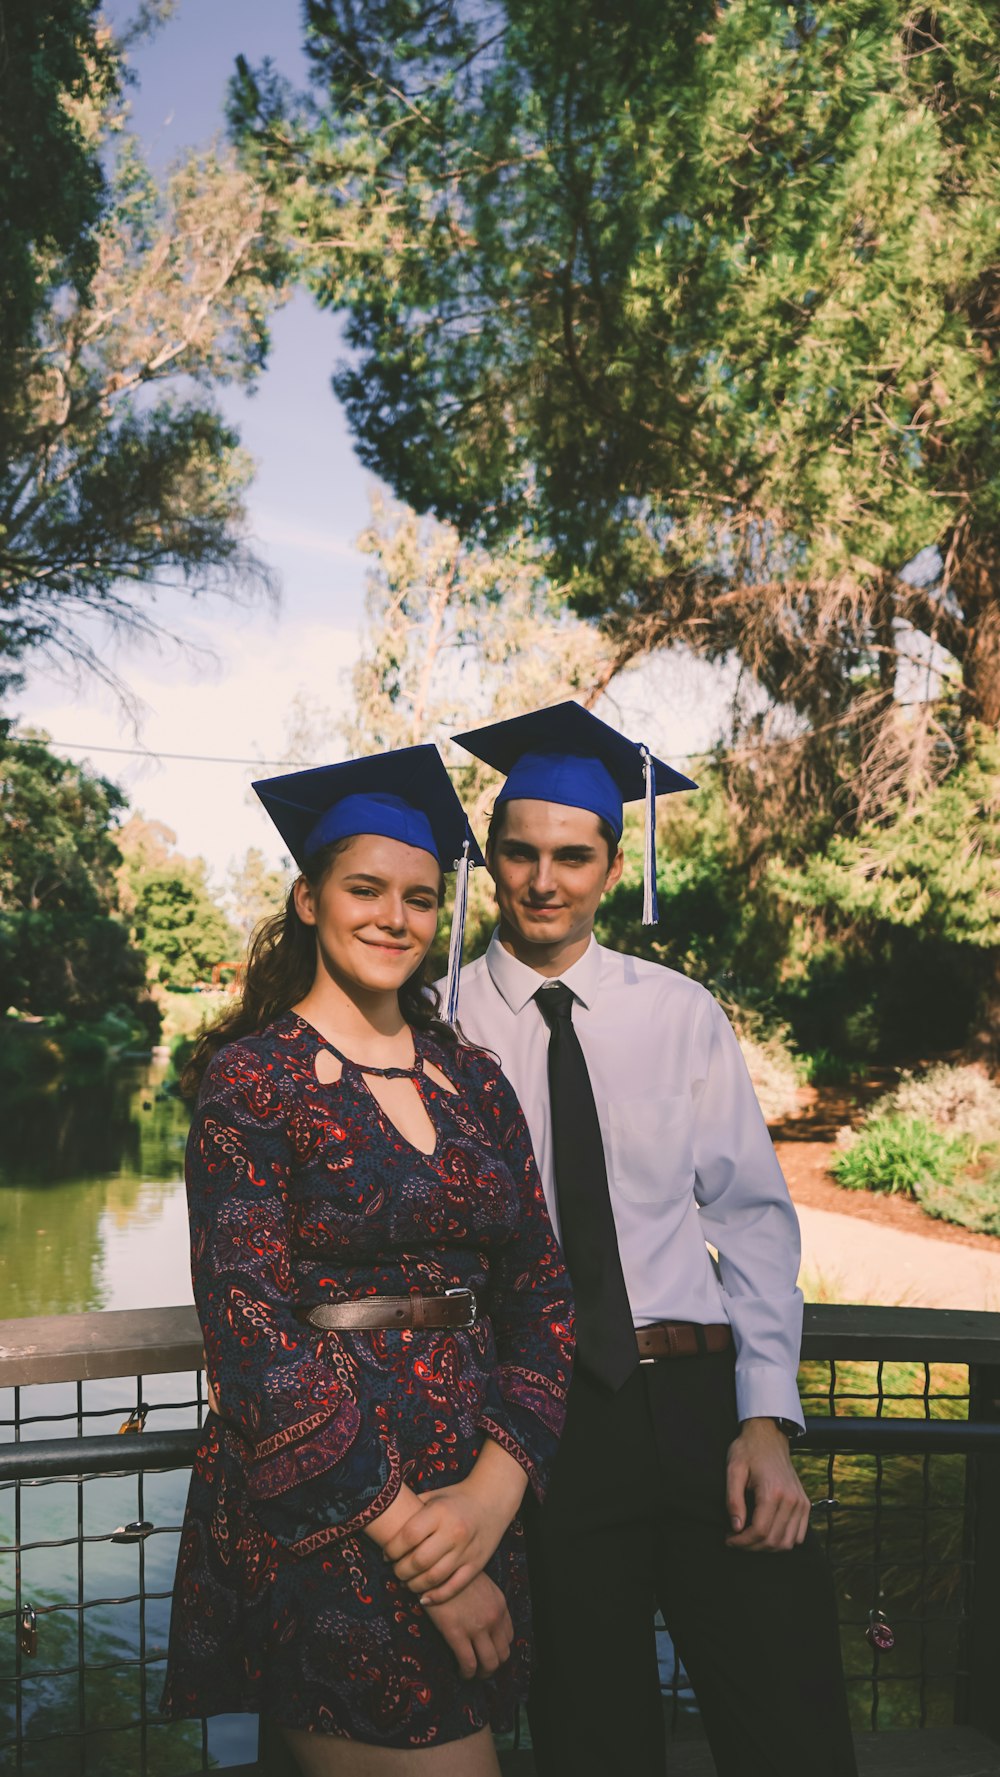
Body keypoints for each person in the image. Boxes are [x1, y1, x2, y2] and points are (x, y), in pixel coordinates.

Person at [447, 702, 858, 1777]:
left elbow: (755, 1222)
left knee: (790, 1721)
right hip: (541, 1423)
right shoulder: (433, 1023)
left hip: (701, 1407)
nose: (545, 880)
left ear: (612, 862)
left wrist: (766, 1418)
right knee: (595, 1736)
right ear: (489, 858)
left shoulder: (679, 1013)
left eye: (571, 856)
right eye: (522, 852)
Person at [160, 745, 574, 1776]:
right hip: (333, 1514)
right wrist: (416, 1540)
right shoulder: (250, 1082)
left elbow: (542, 1293)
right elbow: (251, 1334)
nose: (395, 916)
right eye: (365, 889)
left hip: (476, 1499)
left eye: (422, 898)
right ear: (308, 898)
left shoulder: (473, 1079)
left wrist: (490, 1493)